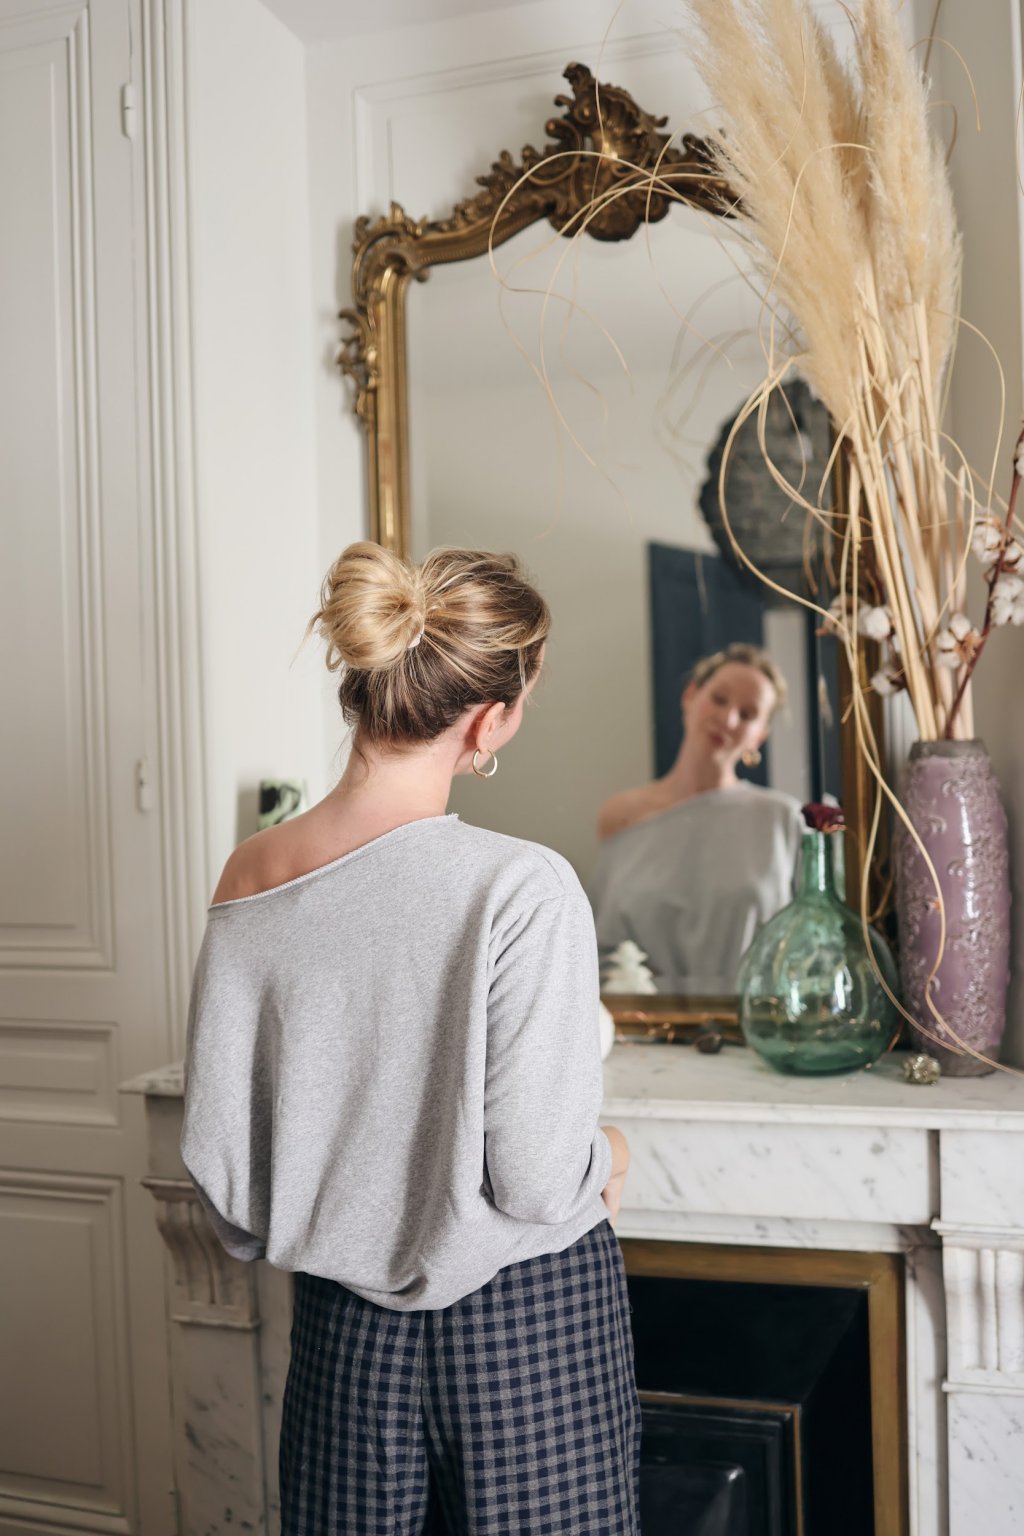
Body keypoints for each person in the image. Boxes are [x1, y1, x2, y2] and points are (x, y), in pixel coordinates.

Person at [180, 542, 641, 1534]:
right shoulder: (522, 888)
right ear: (489, 719)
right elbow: (534, 1180)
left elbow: (227, 1186)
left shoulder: (250, 874)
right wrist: (609, 1153)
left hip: (341, 1337)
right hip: (529, 1329)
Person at [592, 642, 803, 994]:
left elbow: (805, 951)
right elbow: (598, 946)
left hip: (751, 1021)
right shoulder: (620, 816)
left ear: (760, 736)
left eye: (748, 714)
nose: (728, 719)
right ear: (690, 696)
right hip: (642, 1020)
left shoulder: (783, 821)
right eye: (719, 699)